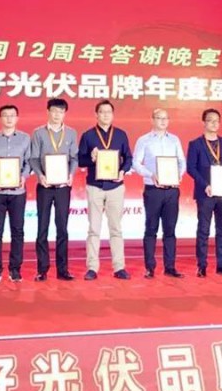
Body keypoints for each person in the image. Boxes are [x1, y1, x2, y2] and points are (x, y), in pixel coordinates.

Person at [78, 100, 133, 281]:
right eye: (102, 112)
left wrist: (122, 171)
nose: (105, 115)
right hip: (95, 186)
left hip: (115, 187)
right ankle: (92, 267)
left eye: (109, 112)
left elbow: (128, 158)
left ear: (113, 114)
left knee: (116, 229)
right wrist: (91, 158)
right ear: (96, 114)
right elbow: (80, 160)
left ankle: (119, 267)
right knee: (94, 229)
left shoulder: (120, 135)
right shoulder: (88, 135)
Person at [132, 108, 186, 279]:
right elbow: (136, 163)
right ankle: (150, 267)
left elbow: (182, 161)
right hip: (153, 190)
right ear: (152, 120)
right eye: (159, 118)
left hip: (172, 190)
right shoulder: (144, 140)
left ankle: (170, 267)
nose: (163, 121)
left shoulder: (174, 140)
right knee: (151, 229)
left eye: (165, 118)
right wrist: (151, 174)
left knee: (170, 230)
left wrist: (179, 174)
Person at [29, 98, 78, 282]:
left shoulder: (71, 133)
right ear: (48, 112)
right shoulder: (38, 133)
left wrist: (71, 174)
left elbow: (74, 158)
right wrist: (40, 175)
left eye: (61, 111)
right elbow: (34, 158)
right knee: (42, 228)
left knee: (62, 229)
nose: (57, 115)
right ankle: (42, 269)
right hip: (45, 186)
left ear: (65, 114)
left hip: (63, 187)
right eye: (54, 111)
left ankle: (63, 270)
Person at [187, 108, 222, 278]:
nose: (214, 123)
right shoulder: (195, 144)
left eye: (217, 120)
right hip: (206, 194)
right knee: (203, 230)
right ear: (204, 122)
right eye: (210, 120)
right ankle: (202, 265)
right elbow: (191, 168)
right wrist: (205, 185)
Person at [0, 105, 31, 283]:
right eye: (5, 115)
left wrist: (23, 177)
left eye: (12, 115)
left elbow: (29, 162)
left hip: (18, 191)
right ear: (0, 118)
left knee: (17, 231)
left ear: (17, 118)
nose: (9, 118)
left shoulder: (25, 138)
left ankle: (15, 269)